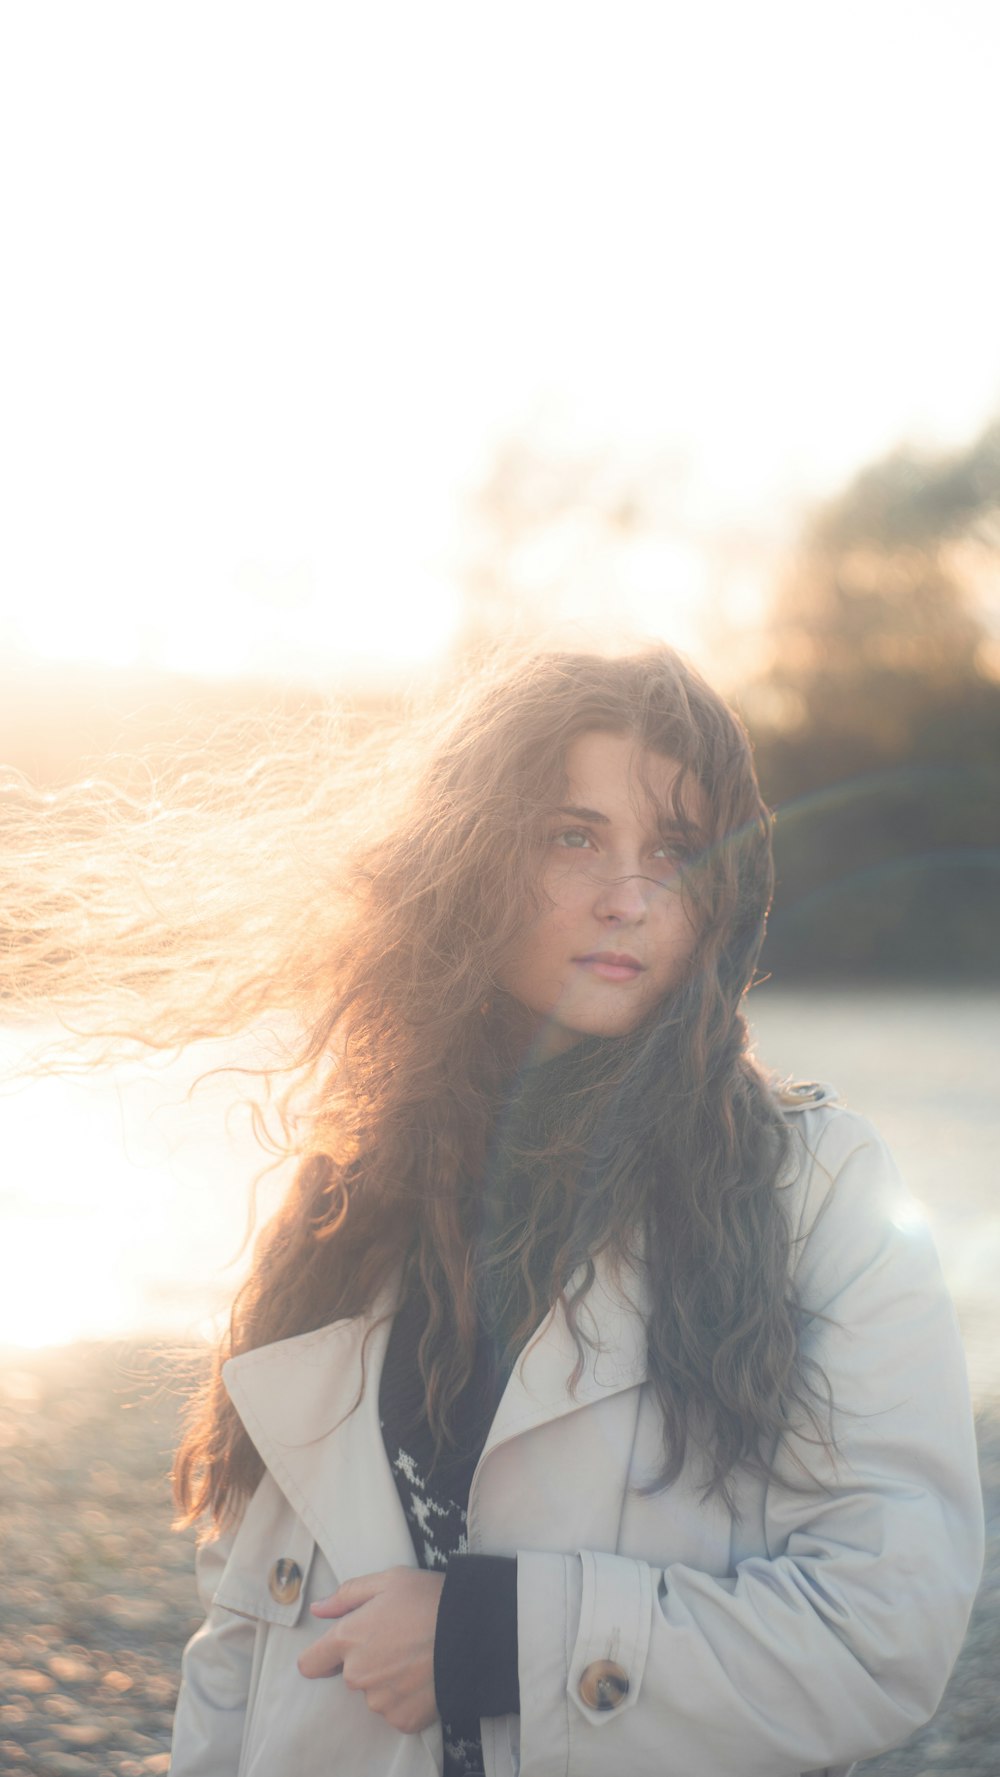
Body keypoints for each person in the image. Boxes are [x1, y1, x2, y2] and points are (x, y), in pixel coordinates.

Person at [154, 645, 981, 1777]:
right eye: (573, 836)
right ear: (472, 857)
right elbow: (240, 1627)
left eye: (675, 851)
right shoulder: (353, 1188)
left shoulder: (817, 1186)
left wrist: (493, 1641)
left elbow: (887, 1628)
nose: (628, 897)